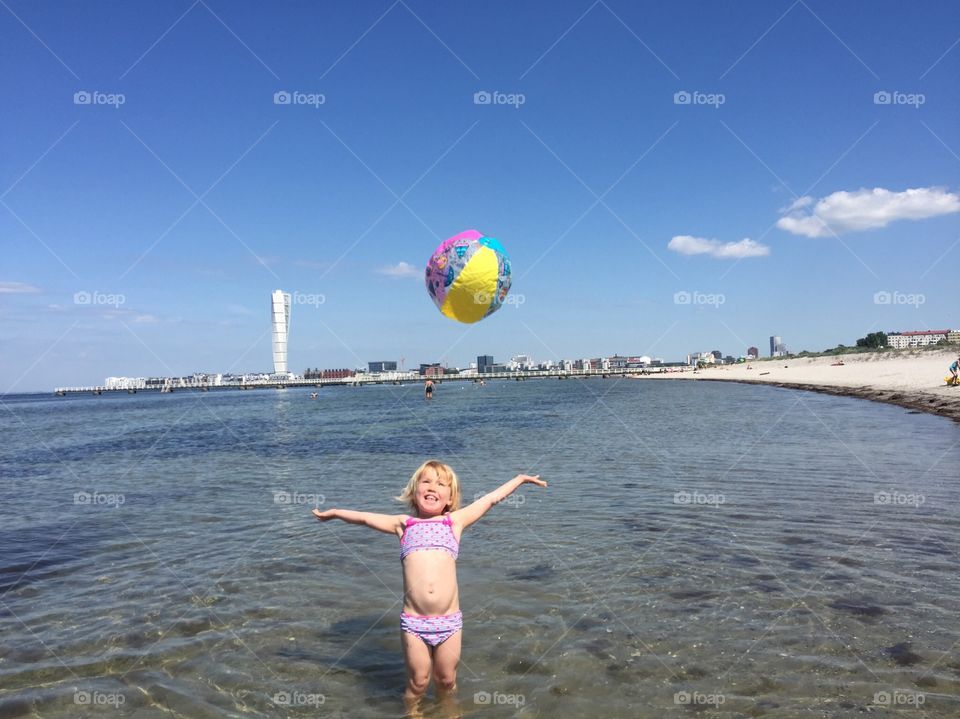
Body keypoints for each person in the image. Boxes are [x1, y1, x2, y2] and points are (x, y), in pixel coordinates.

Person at [312, 460, 547, 710]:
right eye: (426, 482)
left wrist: (520, 479)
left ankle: (449, 712)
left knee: (446, 680)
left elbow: (489, 499)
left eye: (441, 483)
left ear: (450, 498)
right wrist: (335, 513)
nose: (432, 487)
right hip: (414, 623)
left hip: (449, 622)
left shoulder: (454, 522)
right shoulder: (403, 525)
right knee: (418, 683)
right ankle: (413, 713)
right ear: (414, 492)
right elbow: (364, 518)